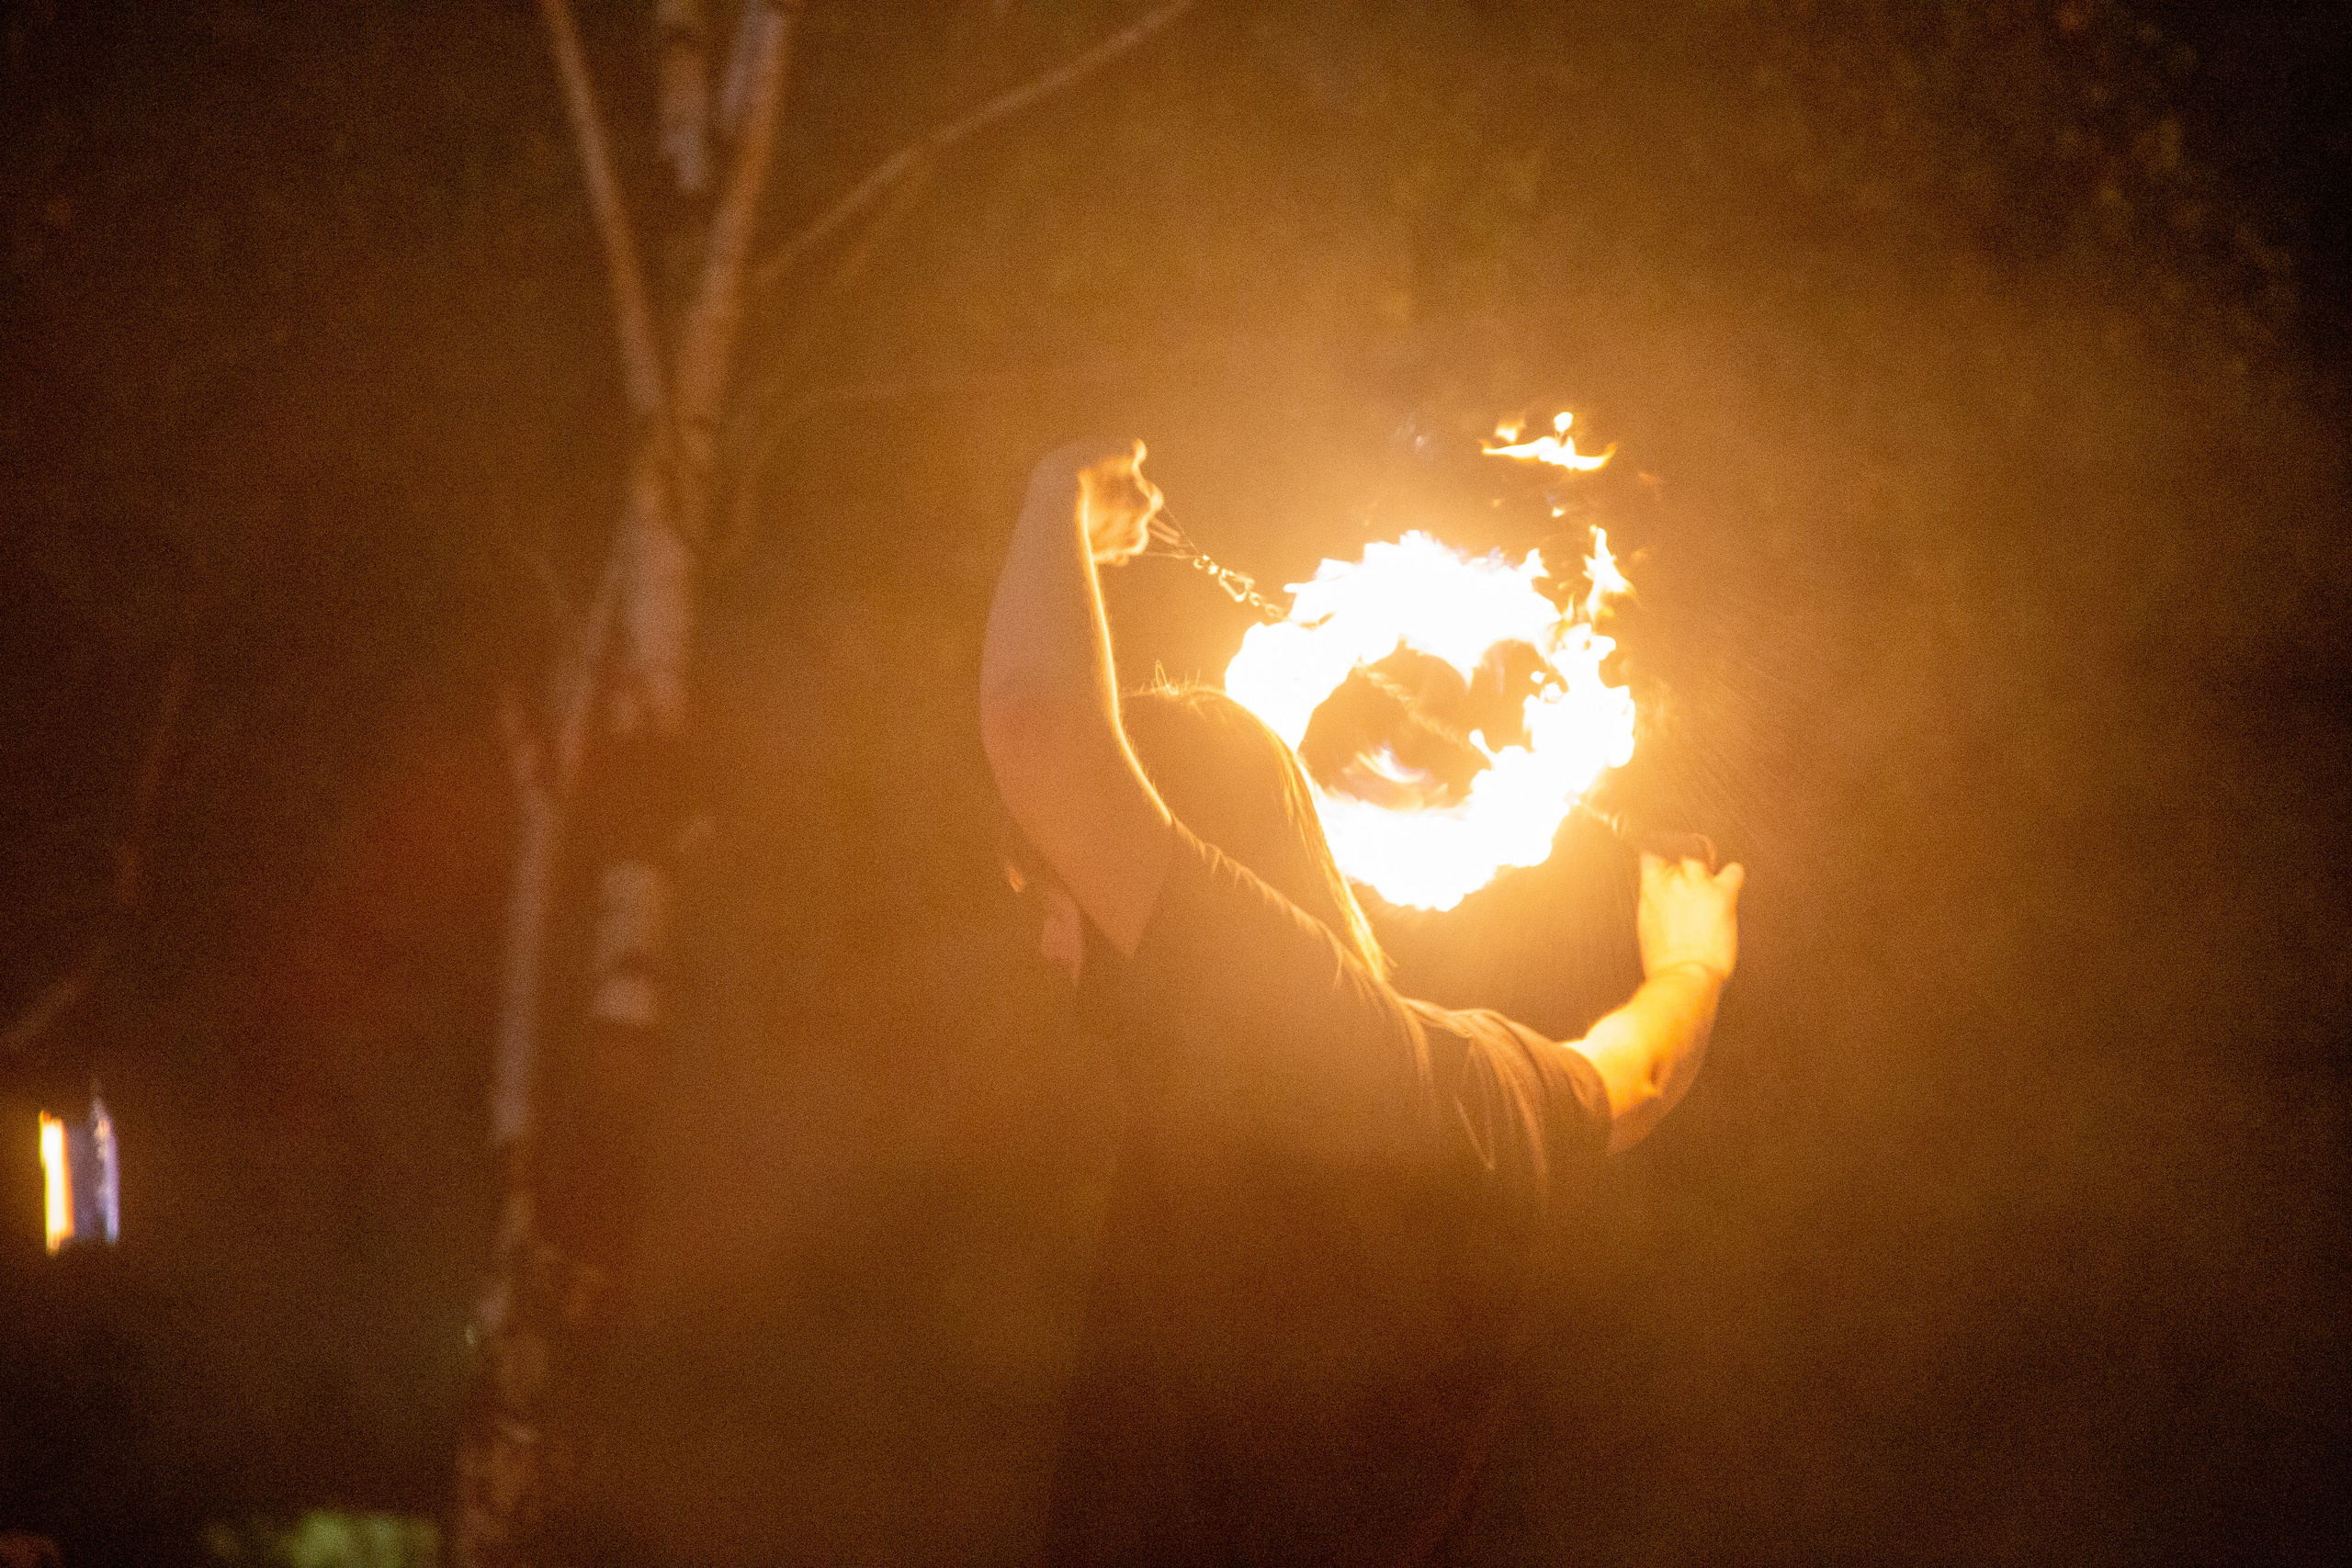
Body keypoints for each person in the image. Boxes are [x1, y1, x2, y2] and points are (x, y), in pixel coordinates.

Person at [981, 438, 1745, 1564]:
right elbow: (1633, 1074)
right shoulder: (1472, 1087)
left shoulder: (1281, 1027)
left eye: (1053, 894)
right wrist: (1695, 966)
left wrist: (1057, 498)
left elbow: (1040, 724)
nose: (1050, 944)